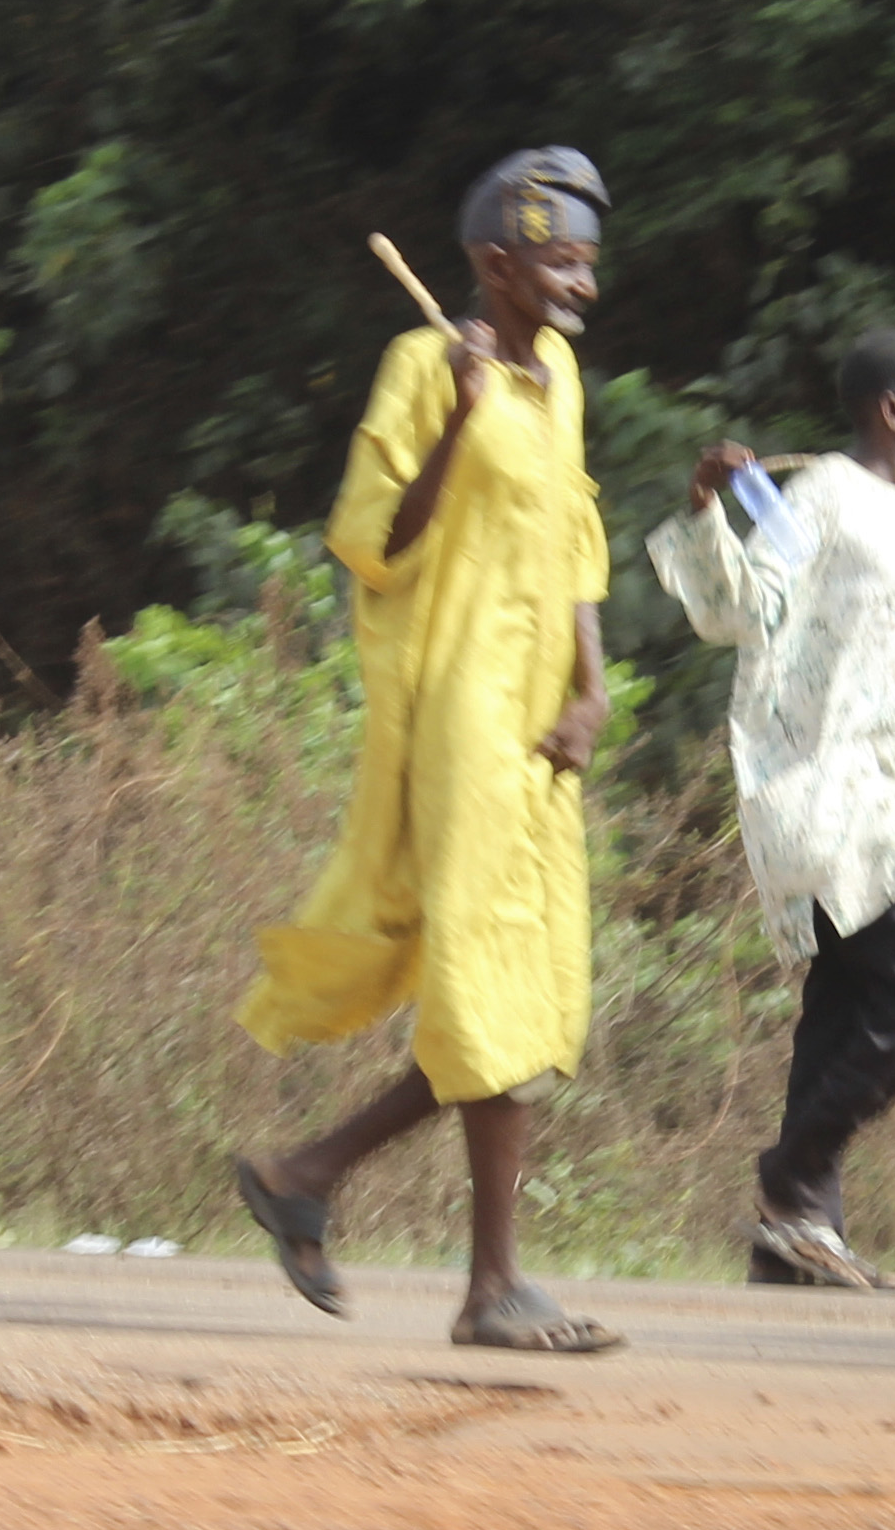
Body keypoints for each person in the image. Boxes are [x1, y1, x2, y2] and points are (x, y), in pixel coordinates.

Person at [225, 147, 624, 1356]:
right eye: (559, 264)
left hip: (541, 721)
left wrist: (594, 693)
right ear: (494, 264)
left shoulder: (557, 374)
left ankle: (309, 1170)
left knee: (513, 990)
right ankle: (489, 1285)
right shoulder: (420, 365)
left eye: (589, 267)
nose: (580, 289)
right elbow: (371, 542)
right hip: (459, 716)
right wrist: (455, 420)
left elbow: (577, 550)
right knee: (485, 983)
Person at [647, 325, 895, 1290]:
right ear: (892, 412)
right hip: (819, 788)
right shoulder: (815, 499)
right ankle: (795, 1173)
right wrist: (706, 507)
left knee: (843, 1006)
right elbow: (740, 607)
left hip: (873, 790)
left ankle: (796, 1237)